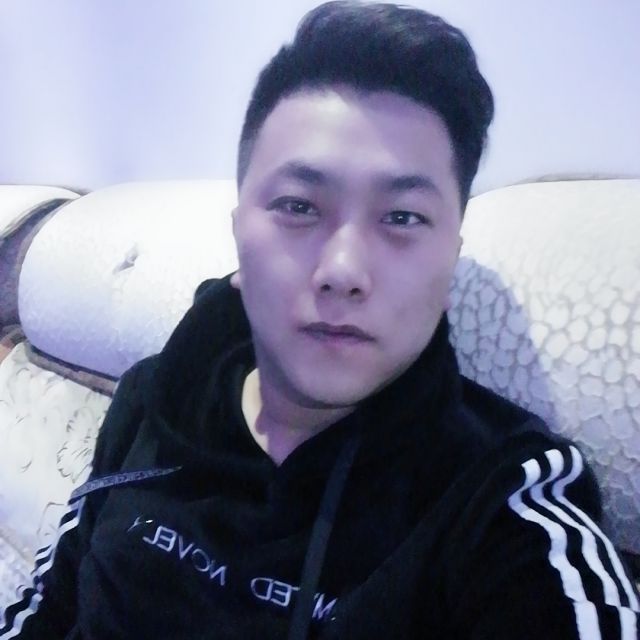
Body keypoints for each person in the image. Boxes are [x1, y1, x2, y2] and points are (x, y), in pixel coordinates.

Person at [2, 1, 638, 638]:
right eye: (299, 206)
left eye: (403, 217)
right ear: (238, 238)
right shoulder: (151, 398)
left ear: (450, 261)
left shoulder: (503, 500)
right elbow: (45, 610)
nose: (343, 270)